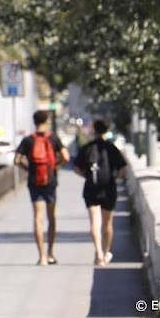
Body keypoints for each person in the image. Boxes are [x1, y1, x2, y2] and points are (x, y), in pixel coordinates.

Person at [14, 110, 70, 266]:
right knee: (51, 218)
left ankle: (42, 257)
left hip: (34, 181)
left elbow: (17, 160)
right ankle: (51, 253)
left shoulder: (27, 140)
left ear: (34, 121)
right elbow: (66, 157)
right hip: (50, 182)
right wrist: (54, 166)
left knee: (37, 219)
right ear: (46, 121)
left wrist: (28, 169)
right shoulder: (53, 138)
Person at [73, 119, 127, 266]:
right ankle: (106, 252)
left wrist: (87, 176)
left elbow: (76, 168)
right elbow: (123, 169)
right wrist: (114, 177)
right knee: (107, 224)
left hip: (91, 188)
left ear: (94, 130)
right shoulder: (111, 148)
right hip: (108, 188)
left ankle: (98, 252)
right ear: (107, 129)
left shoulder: (87, 148)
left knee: (94, 223)